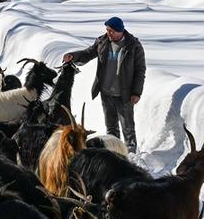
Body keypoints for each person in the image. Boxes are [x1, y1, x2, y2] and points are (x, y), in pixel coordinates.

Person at [62, 16, 146, 153]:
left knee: (128, 128)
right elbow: (88, 53)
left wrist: (136, 92)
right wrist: (73, 56)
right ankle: (114, 153)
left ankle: (131, 154)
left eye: (112, 31)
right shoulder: (102, 42)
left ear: (121, 31)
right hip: (106, 92)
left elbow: (140, 71)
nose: (109, 33)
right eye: (107, 30)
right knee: (111, 127)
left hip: (124, 94)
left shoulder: (134, 46)